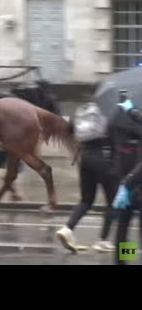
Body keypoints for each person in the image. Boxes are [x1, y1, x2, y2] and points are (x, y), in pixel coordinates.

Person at [56, 104, 118, 253]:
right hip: (103, 160)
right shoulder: (106, 122)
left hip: (85, 159)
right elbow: (115, 146)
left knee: (86, 200)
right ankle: (103, 241)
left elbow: (70, 130)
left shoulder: (84, 121)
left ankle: (67, 229)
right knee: (113, 202)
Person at [112, 93, 142, 265]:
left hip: (126, 177)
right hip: (133, 178)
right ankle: (125, 259)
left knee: (124, 225)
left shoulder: (115, 119)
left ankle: (124, 260)